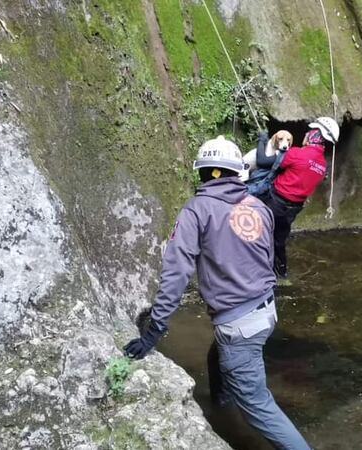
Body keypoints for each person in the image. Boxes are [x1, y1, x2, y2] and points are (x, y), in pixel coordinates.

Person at [124, 136, 311, 450]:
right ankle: (221, 407)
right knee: (219, 357)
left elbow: (176, 273)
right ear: (235, 172)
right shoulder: (259, 207)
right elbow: (268, 259)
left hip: (239, 325)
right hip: (266, 311)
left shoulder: (197, 211)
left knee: (257, 407)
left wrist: (154, 331)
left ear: (205, 173)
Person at [255, 117, 340, 278]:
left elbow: (262, 161)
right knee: (278, 241)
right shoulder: (322, 165)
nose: (305, 135)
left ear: (314, 135)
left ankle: (254, 272)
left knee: (257, 234)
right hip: (292, 211)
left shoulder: (297, 154)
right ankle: (281, 275)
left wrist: (262, 140)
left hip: (273, 203)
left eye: (309, 133)